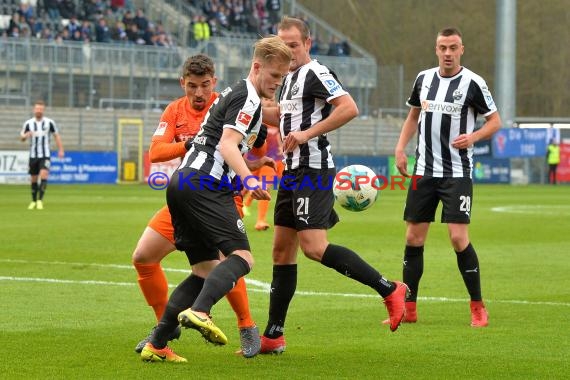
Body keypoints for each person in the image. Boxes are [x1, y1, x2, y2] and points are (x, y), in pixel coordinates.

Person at [258, 16, 407, 355]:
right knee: (282, 252)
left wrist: (307, 134)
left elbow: (348, 108)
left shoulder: (315, 72)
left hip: (313, 169)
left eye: (293, 45)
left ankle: (389, 289)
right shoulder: (290, 78)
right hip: (292, 172)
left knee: (314, 247)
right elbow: (282, 116)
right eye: (282, 46)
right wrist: (240, 106)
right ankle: (273, 336)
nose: (288, 51)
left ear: (307, 44)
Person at [140, 35, 292, 362]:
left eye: (282, 78)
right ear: (257, 67)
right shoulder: (247, 98)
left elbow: (217, 145)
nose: (277, 84)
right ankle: (201, 311)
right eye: (275, 76)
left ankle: (158, 343)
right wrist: (250, 179)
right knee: (243, 258)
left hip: (183, 182)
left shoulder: (233, 94)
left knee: (204, 271)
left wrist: (250, 163)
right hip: (205, 186)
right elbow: (224, 146)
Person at [132, 54, 260, 357]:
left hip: (223, 196)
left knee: (223, 260)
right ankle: (164, 327)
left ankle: (247, 325)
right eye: (192, 86)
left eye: (204, 85)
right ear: (183, 84)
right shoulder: (175, 111)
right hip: (188, 195)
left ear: (213, 82)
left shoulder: (227, 102)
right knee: (143, 257)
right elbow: (156, 152)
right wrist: (191, 143)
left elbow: (251, 138)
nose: (199, 93)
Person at [393, 27, 501, 328]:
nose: (448, 53)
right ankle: (408, 306)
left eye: (453, 47)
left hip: (457, 172)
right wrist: (401, 148)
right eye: (443, 47)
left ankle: (478, 306)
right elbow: (413, 115)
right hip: (423, 171)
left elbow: (495, 121)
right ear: (436, 49)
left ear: (461, 49)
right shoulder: (423, 79)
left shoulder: (473, 83)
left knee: (457, 237)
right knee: (413, 238)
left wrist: (474, 136)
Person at [20, 100, 64, 210]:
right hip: (33, 155)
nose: (39, 111)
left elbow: (56, 136)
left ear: (43, 110)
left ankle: (40, 200)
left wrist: (61, 149)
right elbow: (22, 138)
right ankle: (33, 201)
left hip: (45, 155)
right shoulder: (28, 123)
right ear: (34, 110)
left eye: (41, 109)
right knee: (34, 179)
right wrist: (25, 136)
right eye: (37, 109)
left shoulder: (49, 122)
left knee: (44, 174)